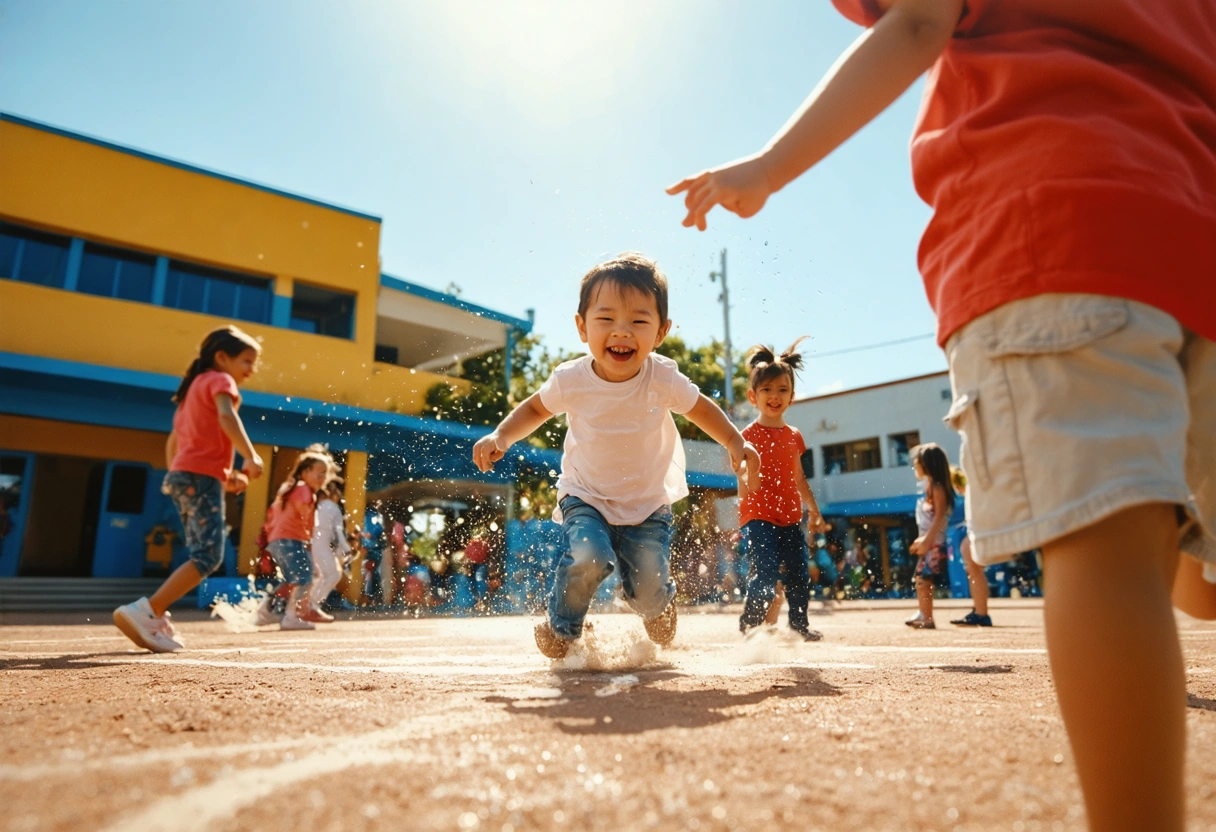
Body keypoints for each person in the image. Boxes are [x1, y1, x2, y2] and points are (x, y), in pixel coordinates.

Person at [666, 3, 1216, 827]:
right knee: (1195, 585)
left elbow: (920, 20)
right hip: (1192, 233)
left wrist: (770, 167)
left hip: (1054, 227)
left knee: (1105, 555)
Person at [472, 252, 761, 659]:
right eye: (606, 319)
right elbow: (536, 408)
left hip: (647, 507)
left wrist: (733, 440)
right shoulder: (572, 379)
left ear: (660, 332)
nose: (621, 332)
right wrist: (502, 435)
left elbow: (700, 408)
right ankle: (561, 627)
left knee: (646, 591)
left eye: (638, 321)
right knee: (589, 556)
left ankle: (657, 604)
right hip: (585, 496)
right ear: (581, 327)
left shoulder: (662, 377)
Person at [113, 326, 264, 652]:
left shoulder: (191, 390)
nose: (251, 369)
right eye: (247, 361)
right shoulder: (221, 381)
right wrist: (250, 456)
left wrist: (216, 476)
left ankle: (153, 613)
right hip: (197, 477)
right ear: (222, 358)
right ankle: (148, 611)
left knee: (202, 552)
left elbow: (178, 441)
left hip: (185, 476)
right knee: (208, 555)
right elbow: (227, 417)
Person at [736, 342, 828, 641]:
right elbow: (741, 479)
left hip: (790, 517)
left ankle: (799, 626)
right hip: (758, 518)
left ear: (791, 398)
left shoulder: (794, 437)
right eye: (766, 390)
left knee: (799, 575)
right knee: (764, 576)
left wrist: (813, 509)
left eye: (782, 390)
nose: (774, 396)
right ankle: (749, 626)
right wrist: (747, 496)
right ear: (753, 396)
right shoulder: (746, 436)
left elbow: (799, 477)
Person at [267, 447, 333, 629]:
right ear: (305, 472)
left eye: (325, 474)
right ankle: (293, 616)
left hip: (279, 539)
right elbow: (306, 520)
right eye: (318, 473)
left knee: (292, 579)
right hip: (290, 539)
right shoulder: (304, 490)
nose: (322, 478)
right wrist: (311, 543)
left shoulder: (292, 488)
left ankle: (265, 611)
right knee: (305, 578)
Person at [905, 443, 956, 629]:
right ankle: (923, 613)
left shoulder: (937, 487)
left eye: (917, 464)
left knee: (923, 579)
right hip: (929, 541)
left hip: (935, 543)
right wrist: (922, 539)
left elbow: (940, 515)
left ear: (927, 465)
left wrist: (927, 541)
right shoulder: (928, 486)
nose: (914, 468)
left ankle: (927, 616)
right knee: (921, 579)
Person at [948, 466, 992, 627]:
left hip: (981, 527)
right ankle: (979, 610)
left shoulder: (973, 494)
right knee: (973, 569)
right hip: (979, 526)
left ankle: (981, 612)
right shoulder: (973, 494)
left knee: (973, 568)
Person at [309, 478, 351, 614]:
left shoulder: (317, 506)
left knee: (320, 575)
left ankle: (309, 603)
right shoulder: (334, 508)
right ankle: (312, 604)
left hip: (313, 543)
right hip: (321, 545)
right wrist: (346, 548)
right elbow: (338, 532)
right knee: (333, 575)